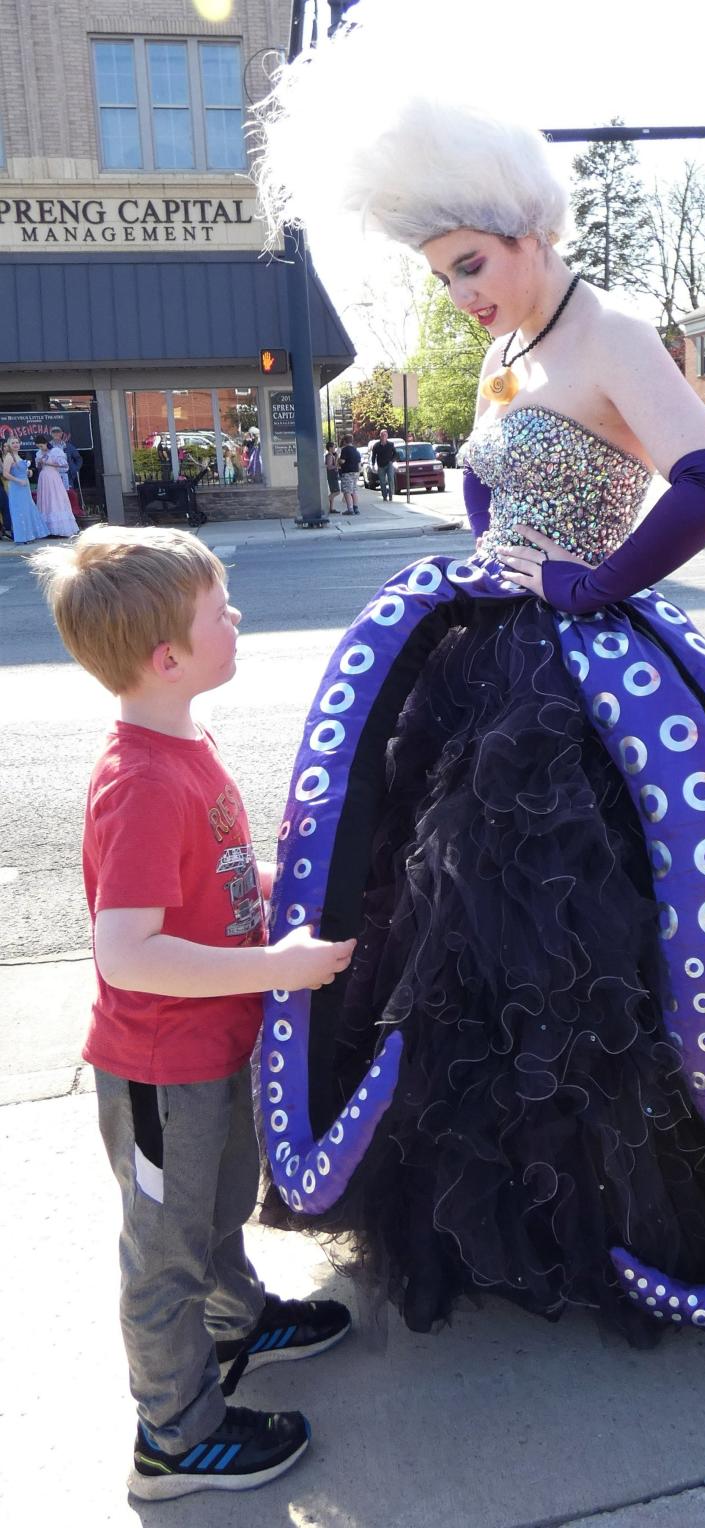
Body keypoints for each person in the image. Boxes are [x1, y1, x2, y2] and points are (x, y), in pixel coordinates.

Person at [252, 83, 705, 1342]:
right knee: (456, 948)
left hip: (577, 686)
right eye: (444, 274)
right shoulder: (509, 356)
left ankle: (658, 1213)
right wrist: (490, 556)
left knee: (598, 942)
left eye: (472, 265)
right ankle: (512, 1212)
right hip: (490, 663)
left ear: (527, 232)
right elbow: (486, 487)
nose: (464, 293)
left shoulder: (613, 335)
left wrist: (596, 578)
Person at [30, 526, 358, 1499]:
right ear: (168, 657)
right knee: (164, 1256)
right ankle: (173, 1436)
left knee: (218, 1212)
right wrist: (275, 964)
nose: (238, 617)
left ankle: (235, 1318)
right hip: (159, 1078)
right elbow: (127, 947)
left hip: (210, 1052)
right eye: (221, 609)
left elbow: (200, 889)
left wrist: (267, 885)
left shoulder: (183, 745)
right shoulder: (138, 783)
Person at [2, 435, 49, 543]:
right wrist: (18, 481)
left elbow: (20, 471)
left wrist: (29, 472)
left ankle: (29, 535)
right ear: (9, 445)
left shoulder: (18, 456)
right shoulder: (9, 457)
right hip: (16, 487)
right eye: (13, 443)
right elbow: (5, 474)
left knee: (27, 510)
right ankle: (21, 537)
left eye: (17, 443)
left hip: (25, 487)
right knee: (19, 511)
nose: (15, 445)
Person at [33, 434, 79, 537]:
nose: (40, 448)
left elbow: (64, 465)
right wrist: (40, 463)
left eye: (41, 446)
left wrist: (48, 463)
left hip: (53, 476)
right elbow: (38, 466)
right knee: (46, 500)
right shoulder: (39, 453)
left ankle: (60, 528)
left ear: (45, 443)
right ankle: (47, 529)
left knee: (55, 498)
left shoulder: (55, 451)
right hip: (44, 477)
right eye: (38, 446)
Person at [338, 433, 361, 515]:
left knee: (347, 491)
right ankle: (356, 508)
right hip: (355, 472)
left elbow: (342, 461)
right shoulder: (355, 450)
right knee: (354, 490)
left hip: (347, 472)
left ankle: (350, 509)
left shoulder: (345, 450)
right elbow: (359, 463)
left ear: (344, 441)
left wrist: (338, 461)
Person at [371, 428, 396, 501]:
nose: (384, 436)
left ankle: (391, 495)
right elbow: (373, 455)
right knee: (382, 481)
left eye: (385, 435)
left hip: (389, 464)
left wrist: (392, 460)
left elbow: (395, 454)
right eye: (382, 435)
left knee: (391, 479)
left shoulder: (390, 444)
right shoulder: (376, 445)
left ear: (387, 436)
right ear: (380, 436)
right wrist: (373, 464)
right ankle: (384, 496)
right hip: (380, 465)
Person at [325, 441, 343, 513]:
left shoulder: (332, 455)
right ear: (330, 448)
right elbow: (329, 467)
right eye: (333, 447)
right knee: (337, 492)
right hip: (331, 475)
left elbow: (334, 464)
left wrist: (336, 458)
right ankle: (326, 500)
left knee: (333, 491)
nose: (334, 448)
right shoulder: (329, 456)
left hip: (333, 474)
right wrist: (337, 466)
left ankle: (331, 508)